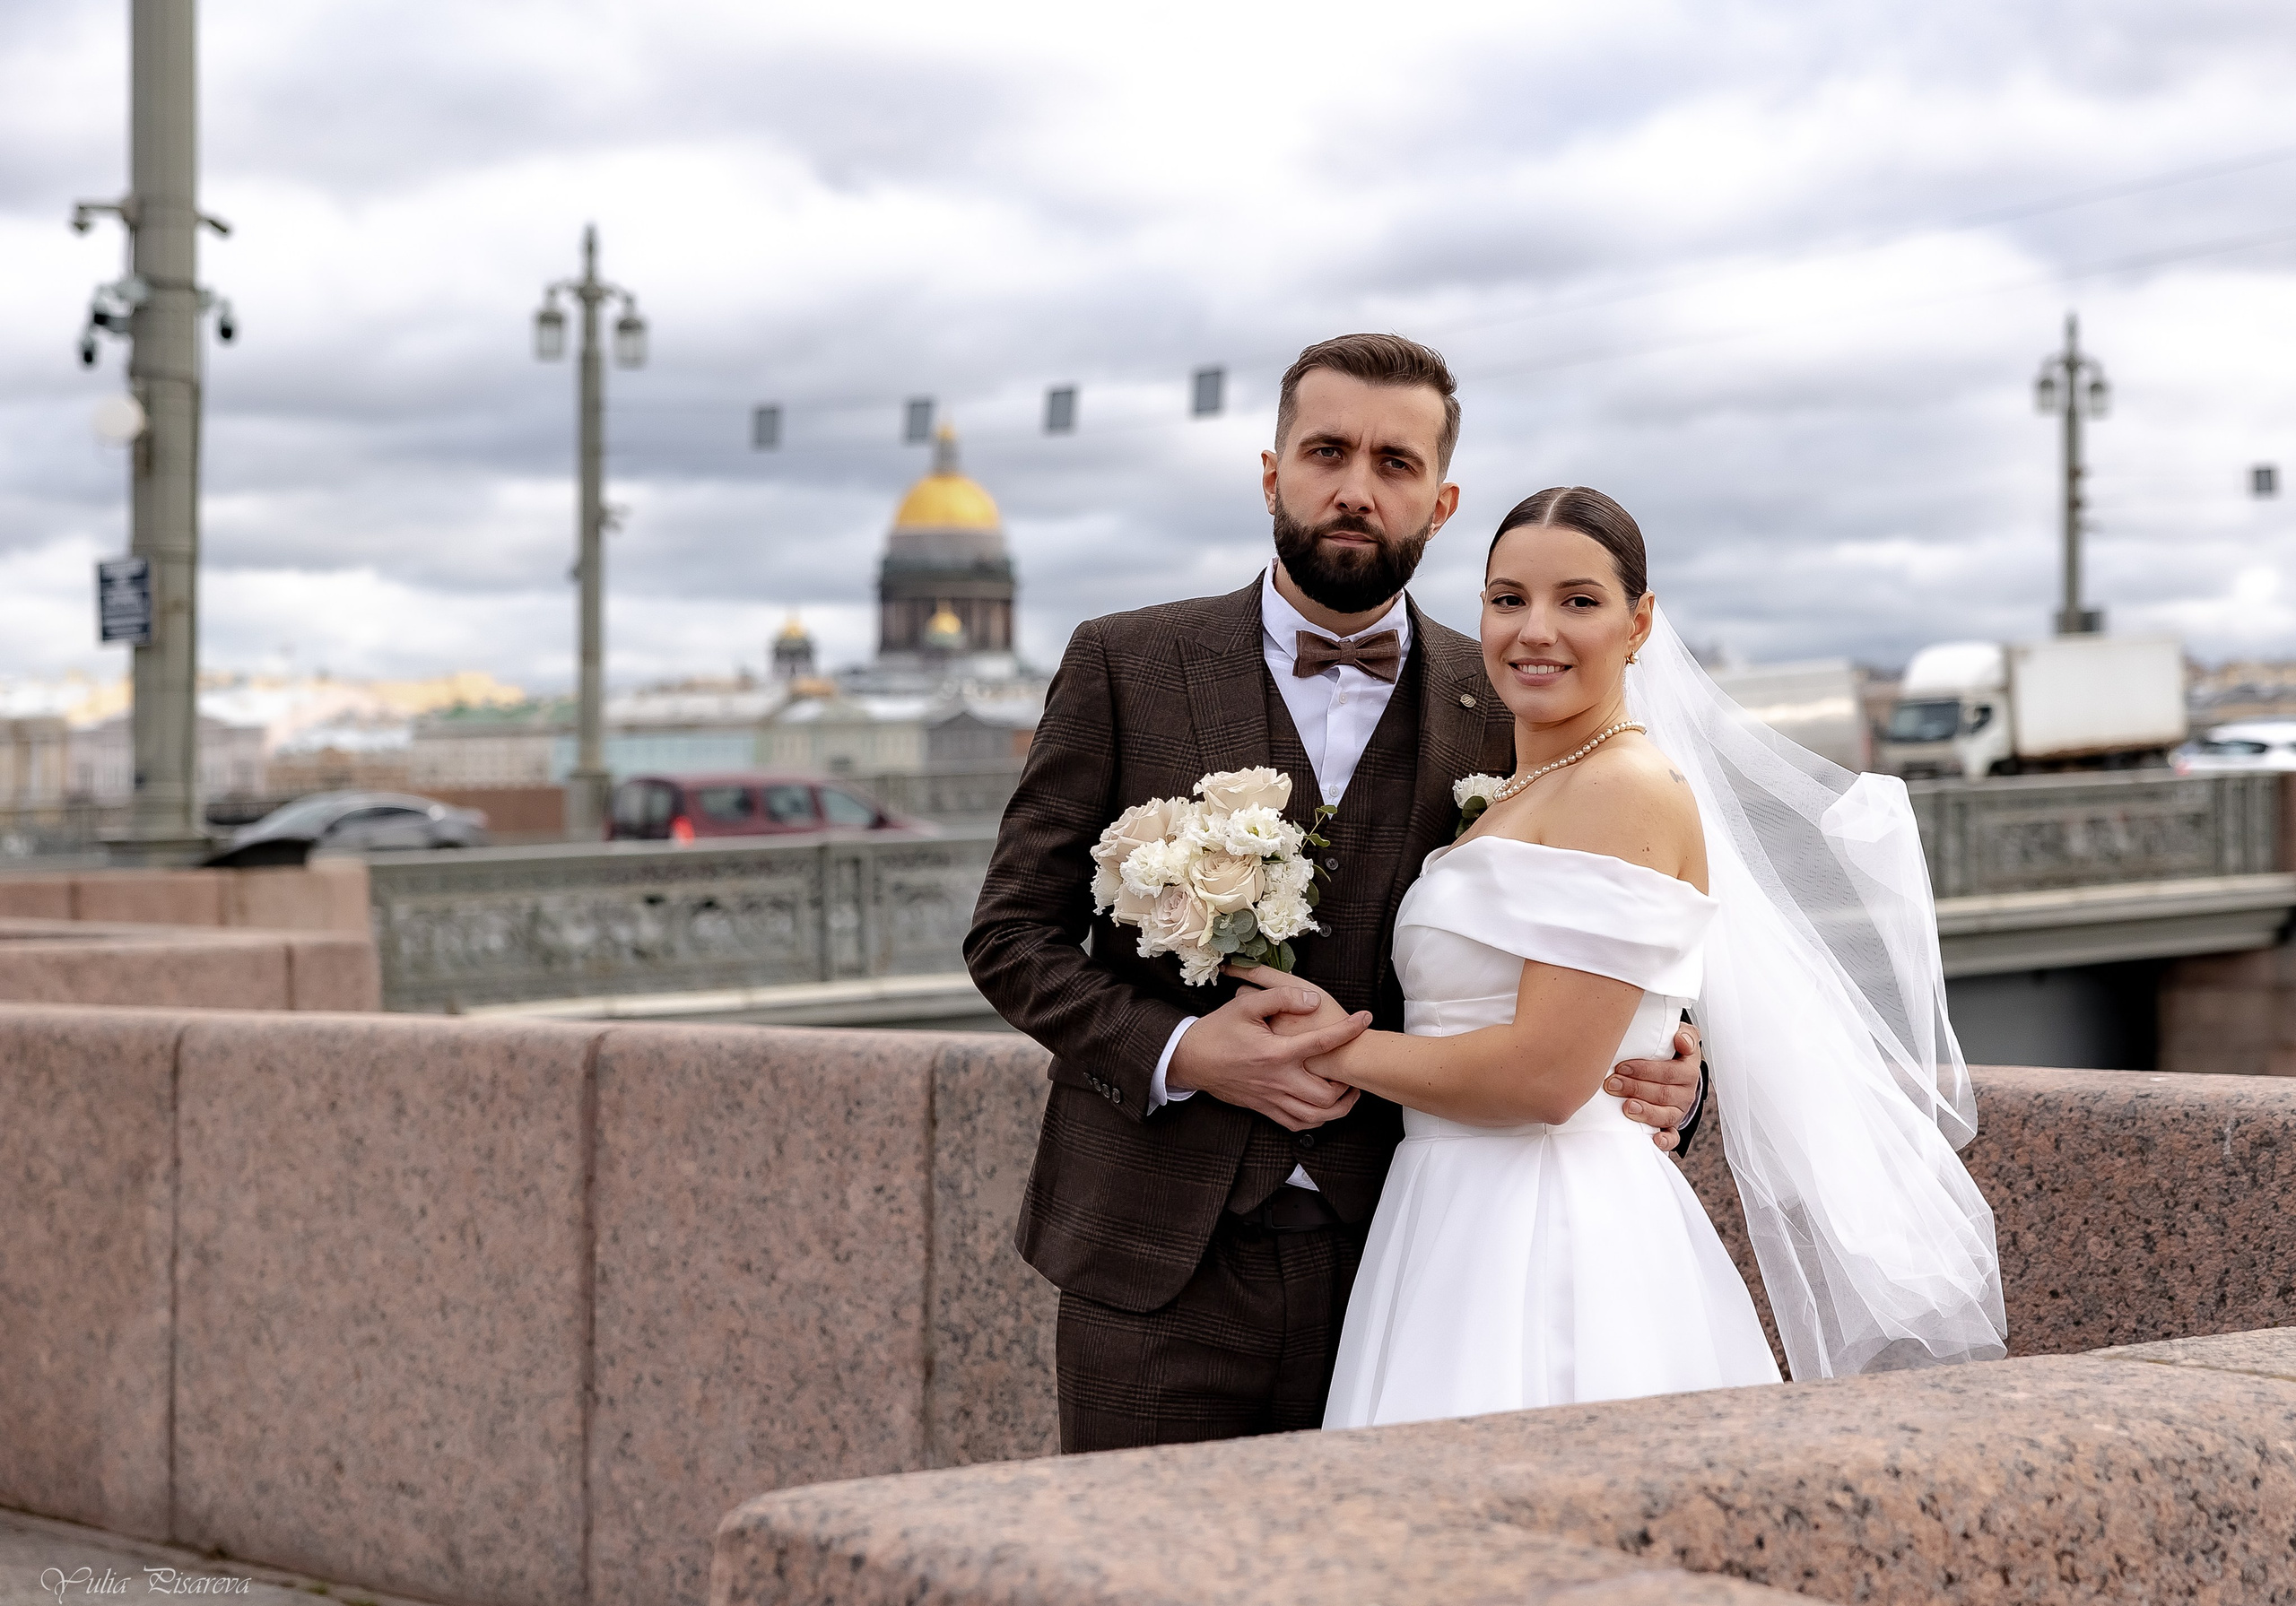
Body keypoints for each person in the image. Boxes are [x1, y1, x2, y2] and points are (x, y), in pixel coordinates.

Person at [966, 334, 1709, 1453]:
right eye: (1326, 452)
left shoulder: (1510, 689)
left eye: (1396, 464)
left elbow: (1585, 920)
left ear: (1442, 501)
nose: (1356, 490)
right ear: (1272, 471)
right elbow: (1012, 936)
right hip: (1156, 1265)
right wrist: (1184, 1052)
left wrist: (1669, 1059)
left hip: (1412, 1268)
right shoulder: (1124, 662)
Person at [1259, 487, 2008, 1428]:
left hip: (1550, 1227)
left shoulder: (1625, 788)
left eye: (1578, 601)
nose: (1536, 631)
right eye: (1506, 599)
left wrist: (1324, 1048)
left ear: (1639, 621)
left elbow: (1545, 1078)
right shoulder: (1526, 782)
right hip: (1445, 1214)